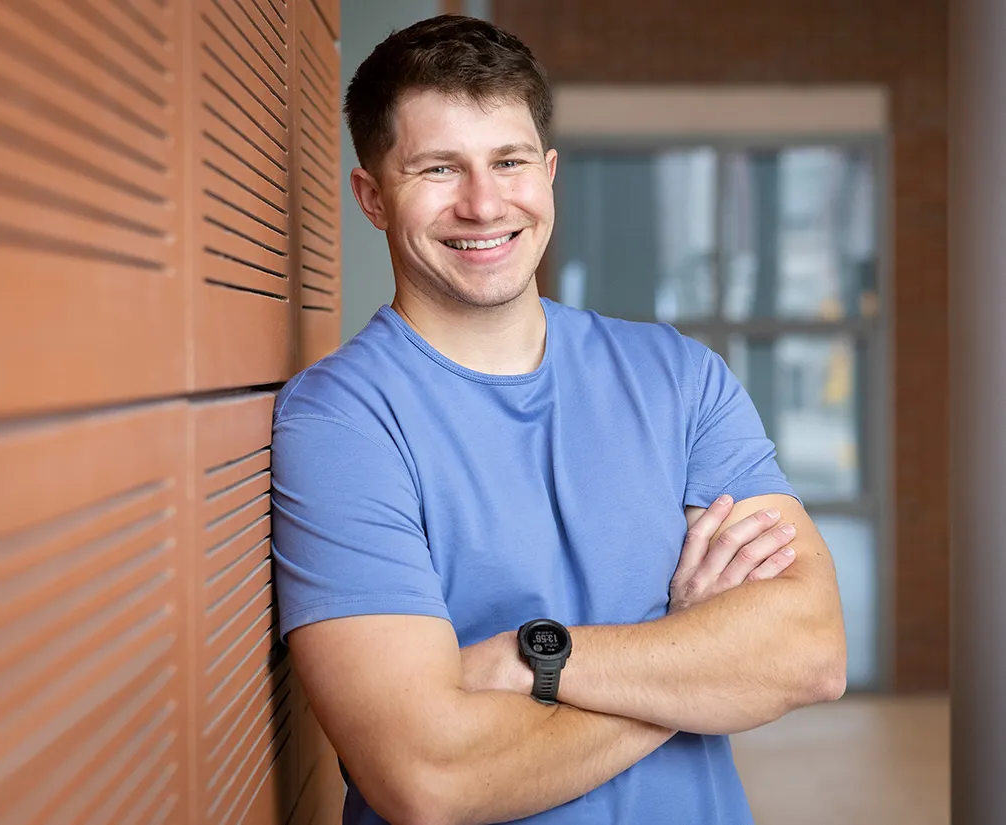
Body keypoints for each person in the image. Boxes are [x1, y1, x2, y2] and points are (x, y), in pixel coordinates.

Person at [271, 14, 847, 825]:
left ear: (547, 174)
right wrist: (690, 654)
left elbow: (811, 650)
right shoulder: (342, 423)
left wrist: (531, 656)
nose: (483, 203)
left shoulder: (678, 377)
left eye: (508, 162)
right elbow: (428, 777)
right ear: (371, 197)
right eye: (439, 168)